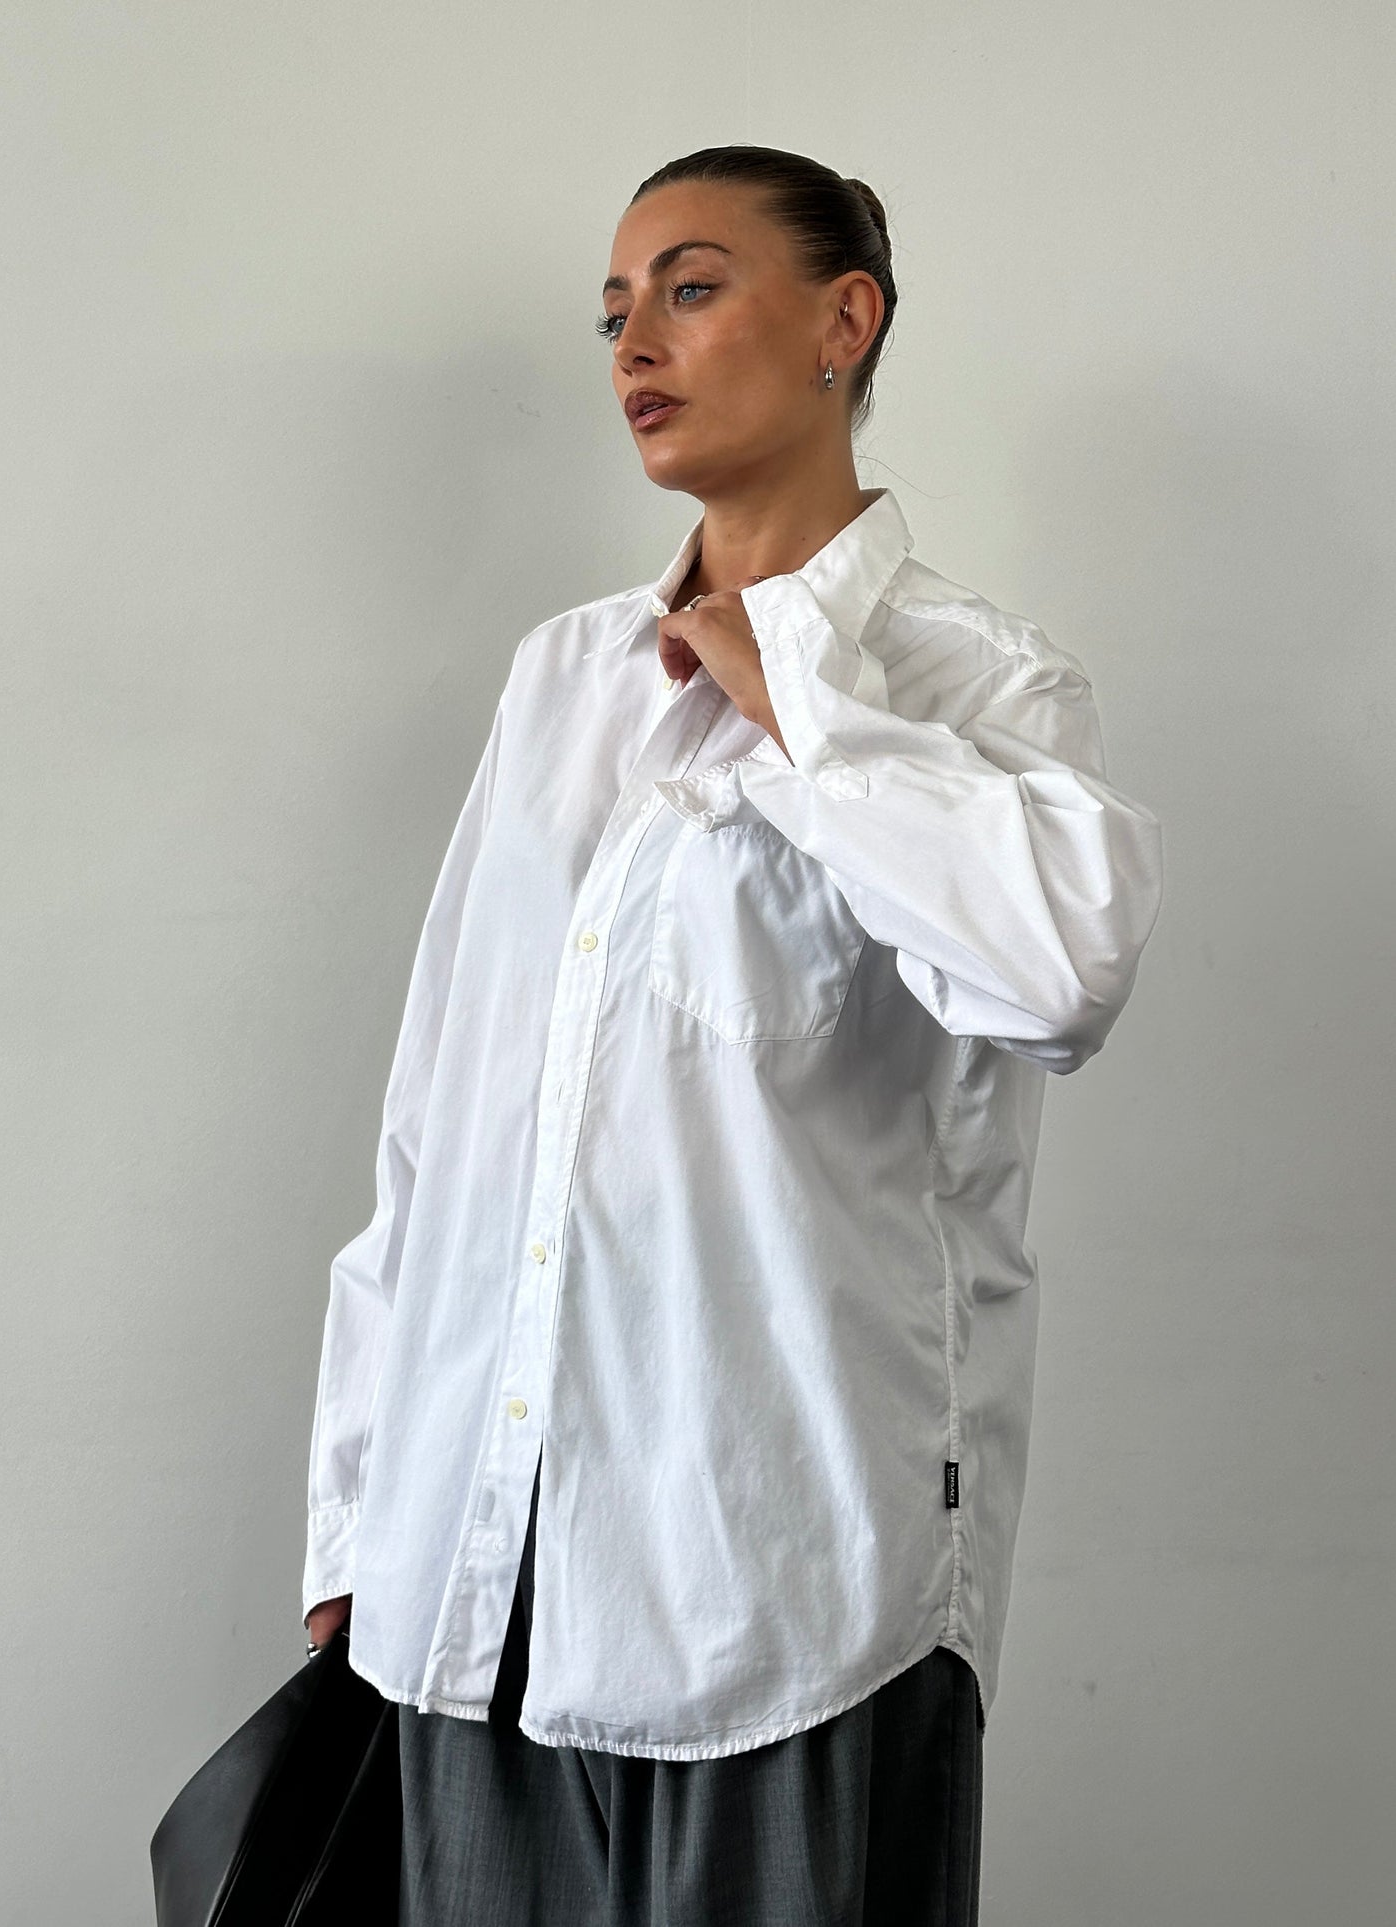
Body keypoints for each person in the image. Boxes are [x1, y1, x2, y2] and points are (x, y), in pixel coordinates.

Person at [300, 143, 1164, 1925]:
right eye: (615, 311)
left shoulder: (978, 685)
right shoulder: (562, 681)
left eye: (691, 289)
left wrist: (806, 714)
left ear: (844, 322)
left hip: (788, 1588)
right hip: (475, 1578)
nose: (636, 342)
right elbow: (442, 1118)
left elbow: (1057, 976)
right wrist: (357, 1509)